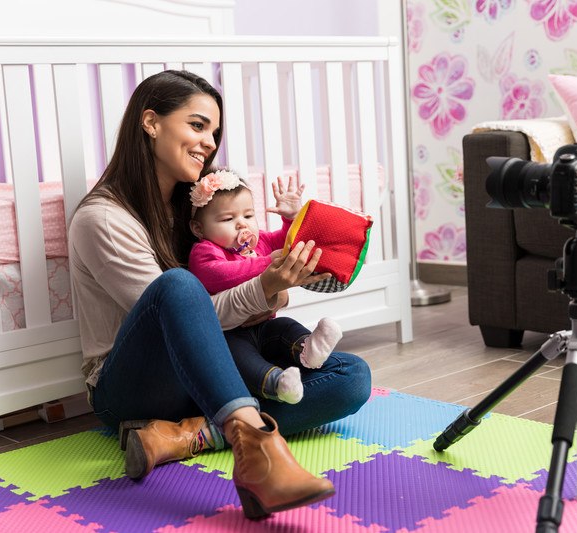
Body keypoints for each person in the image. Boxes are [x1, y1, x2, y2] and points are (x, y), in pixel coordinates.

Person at [67, 70, 371, 519]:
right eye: (197, 125)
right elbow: (190, 310)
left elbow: (234, 287)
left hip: (204, 379)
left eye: (214, 132)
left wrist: (278, 287)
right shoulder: (105, 219)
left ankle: (186, 435)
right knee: (177, 284)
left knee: (351, 377)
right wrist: (266, 289)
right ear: (150, 123)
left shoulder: (199, 210)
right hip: (132, 388)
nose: (209, 142)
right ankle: (258, 454)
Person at [187, 169, 344, 405]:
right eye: (228, 219)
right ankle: (277, 383)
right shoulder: (205, 251)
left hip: (265, 325)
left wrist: (292, 218)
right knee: (239, 357)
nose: (242, 225)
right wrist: (265, 263)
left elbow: (288, 241)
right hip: (230, 333)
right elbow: (217, 276)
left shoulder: (260, 242)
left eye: (248, 216)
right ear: (199, 229)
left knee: (285, 326)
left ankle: (309, 348)